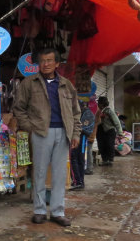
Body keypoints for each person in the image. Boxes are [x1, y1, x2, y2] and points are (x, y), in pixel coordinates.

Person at [13, 48, 81, 227]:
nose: (46, 64)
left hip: (63, 133)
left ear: (57, 64)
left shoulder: (67, 84)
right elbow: (18, 108)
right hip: (41, 132)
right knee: (40, 172)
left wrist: (75, 133)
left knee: (60, 174)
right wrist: (30, 128)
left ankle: (58, 211)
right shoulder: (29, 83)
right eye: (43, 61)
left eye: (50, 60)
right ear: (38, 64)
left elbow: (76, 113)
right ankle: (39, 210)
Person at [70, 100, 95, 190]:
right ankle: (80, 181)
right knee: (79, 159)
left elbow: (84, 128)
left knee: (75, 158)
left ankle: (78, 181)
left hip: (80, 137)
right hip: (82, 137)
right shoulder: (87, 113)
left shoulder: (86, 114)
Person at [95, 96, 123, 166]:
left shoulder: (109, 111)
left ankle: (110, 160)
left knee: (109, 145)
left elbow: (117, 122)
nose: (98, 104)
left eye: (99, 102)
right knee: (101, 145)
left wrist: (120, 132)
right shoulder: (98, 111)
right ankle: (104, 160)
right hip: (101, 130)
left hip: (109, 130)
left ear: (102, 103)